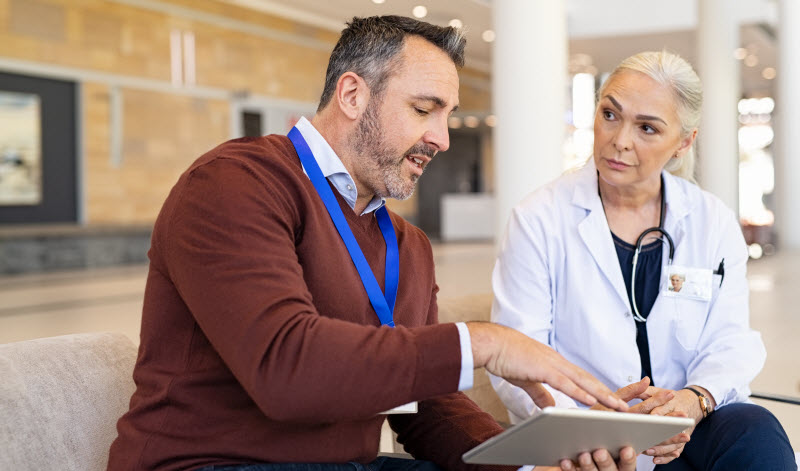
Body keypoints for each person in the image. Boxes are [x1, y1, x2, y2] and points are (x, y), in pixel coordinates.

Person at [107, 16, 635, 471]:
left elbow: (425, 405)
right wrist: (484, 342)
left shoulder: (406, 244)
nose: (442, 138)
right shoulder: (235, 183)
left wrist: (528, 461)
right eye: (424, 109)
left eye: (447, 115)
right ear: (353, 95)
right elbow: (286, 368)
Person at [490, 50, 796, 471]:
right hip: (583, 439)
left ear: (683, 143)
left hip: (687, 432)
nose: (620, 140)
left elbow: (731, 340)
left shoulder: (710, 221)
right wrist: (593, 432)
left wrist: (693, 401)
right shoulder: (539, 219)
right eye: (610, 114)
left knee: (753, 428)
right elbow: (518, 357)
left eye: (647, 128)